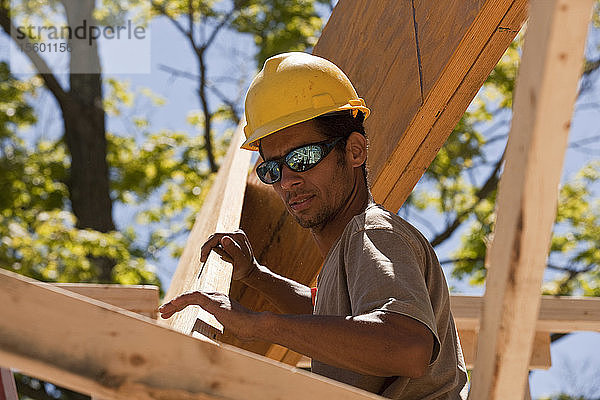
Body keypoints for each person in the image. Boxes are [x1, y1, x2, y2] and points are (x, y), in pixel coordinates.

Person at [159, 52, 468, 399]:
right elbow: (331, 318)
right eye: (271, 169)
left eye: (302, 158)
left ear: (354, 151)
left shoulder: (372, 231)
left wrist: (258, 324)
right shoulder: (349, 253)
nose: (287, 181)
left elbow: (407, 346)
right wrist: (256, 276)